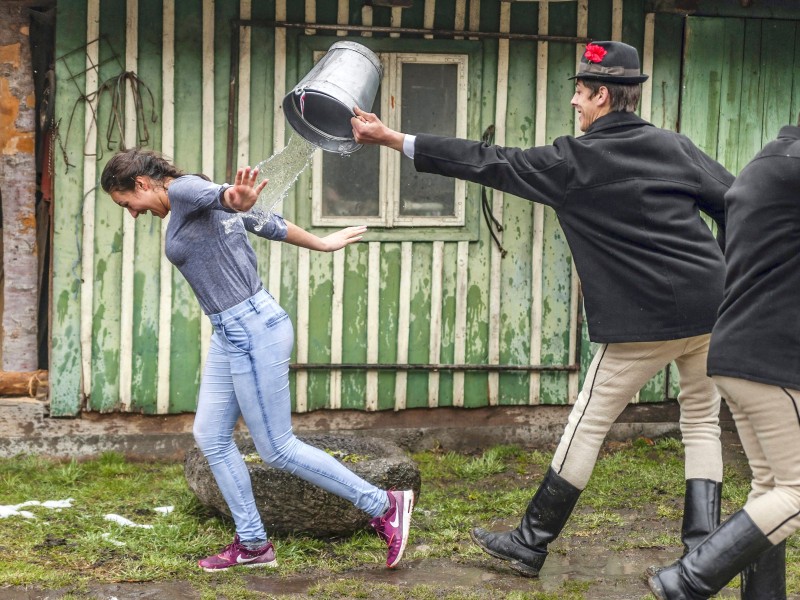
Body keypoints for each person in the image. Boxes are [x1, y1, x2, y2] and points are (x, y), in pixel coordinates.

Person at [351, 41, 733, 578]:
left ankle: (530, 543)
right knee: (700, 422)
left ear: (601, 95)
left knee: (586, 422)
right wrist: (734, 275)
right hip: (713, 307)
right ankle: (704, 551)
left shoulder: (572, 162)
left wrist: (392, 138)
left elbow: (488, 162)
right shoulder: (674, 147)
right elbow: (734, 203)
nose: (574, 103)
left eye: (579, 93)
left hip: (644, 324)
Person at [100, 149, 414, 572]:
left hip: (252, 329)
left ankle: (383, 504)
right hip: (232, 332)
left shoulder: (187, 190)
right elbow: (264, 222)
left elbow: (229, 198)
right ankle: (253, 544)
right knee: (210, 435)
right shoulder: (186, 206)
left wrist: (234, 196)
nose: (133, 214)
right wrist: (320, 242)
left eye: (127, 204)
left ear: (141, 184)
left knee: (277, 448)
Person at [647, 124, 800, 599]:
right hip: (773, 359)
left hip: (736, 349)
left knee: (770, 487)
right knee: (796, 495)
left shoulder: (767, 162)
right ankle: (687, 579)